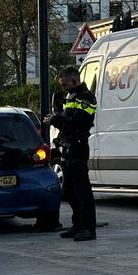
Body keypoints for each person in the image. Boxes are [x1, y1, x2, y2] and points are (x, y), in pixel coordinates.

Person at [44, 67, 97, 242]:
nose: (63, 88)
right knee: (71, 191)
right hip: (68, 148)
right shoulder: (71, 97)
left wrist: (56, 120)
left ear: (75, 81)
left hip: (78, 148)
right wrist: (58, 118)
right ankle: (77, 225)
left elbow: (77, 122)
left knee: (82, 191)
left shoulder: (86, 98)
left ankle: (88, 228)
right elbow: (67, 119)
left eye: (65, 84)